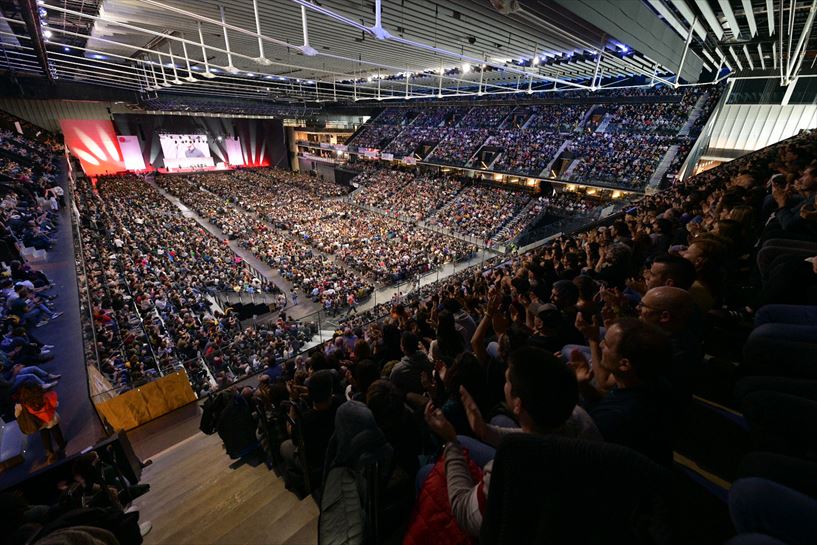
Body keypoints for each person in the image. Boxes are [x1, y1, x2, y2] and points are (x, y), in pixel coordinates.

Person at [422, 346, 601, 537]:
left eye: (507, 381)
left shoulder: (508, 465)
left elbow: (465, 513)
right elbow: (538, 437)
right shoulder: (579, 417)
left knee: (425, 472)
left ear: (517, 404)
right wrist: (486, 431)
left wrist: (451, 441)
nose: (504, 384)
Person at [570, 316, 673, 465]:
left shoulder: (611, 419)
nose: (600, 345)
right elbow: (607, 400)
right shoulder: (657, 383)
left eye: (605, 344)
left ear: (624, 364)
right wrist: (583, 385)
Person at [15, 382, 66, 463]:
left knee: (44, 436)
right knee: (56, 432)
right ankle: (62, 445)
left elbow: (17, 414)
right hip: (51, 419)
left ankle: (49, 451)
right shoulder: (45, 396)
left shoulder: (24, 403)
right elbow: (55, 404)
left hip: (39, 423)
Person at [389, 331, 432, 396]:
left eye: (401, 343)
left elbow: (392, 387)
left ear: (403, 347)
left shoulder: (397, 370)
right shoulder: (426, 358)